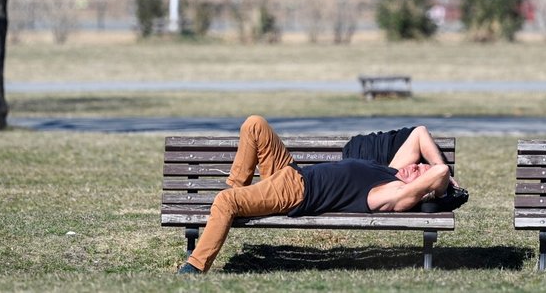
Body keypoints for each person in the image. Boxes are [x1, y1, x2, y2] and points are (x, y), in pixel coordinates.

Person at [176, 115, 453, 274]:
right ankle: (241, 191)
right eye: (418, 163)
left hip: (296, 191)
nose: (415, 165)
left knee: (225, 202)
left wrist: (445, 178)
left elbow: (439, 174)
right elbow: (419, 133)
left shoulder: (394, 194)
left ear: (422, 190)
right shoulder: (392, 173)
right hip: (290, 172)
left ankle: (195, 267)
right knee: (254, 124)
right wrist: (430, 169)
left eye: (420, 170)